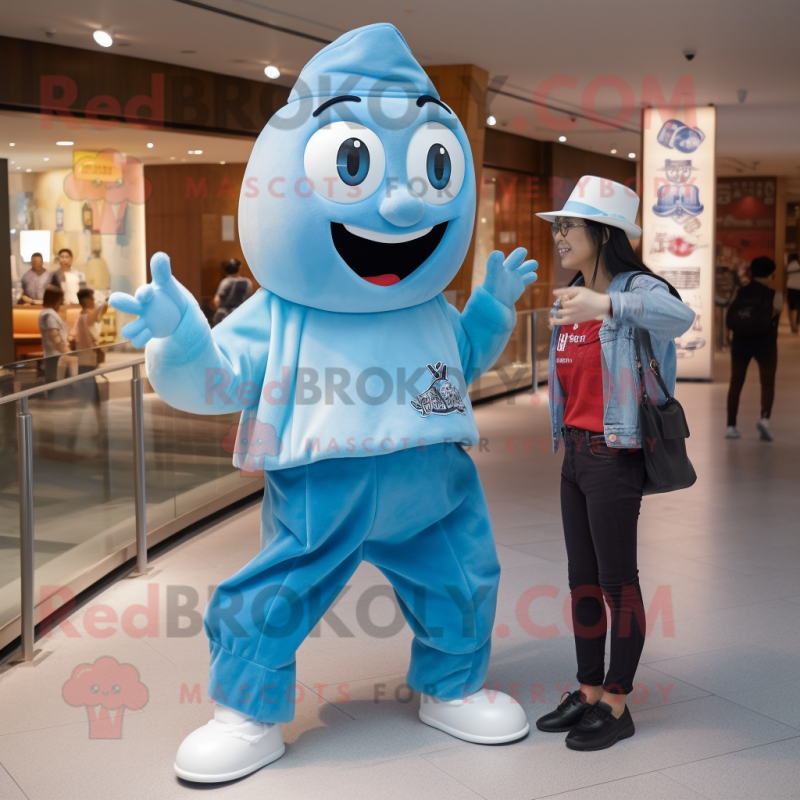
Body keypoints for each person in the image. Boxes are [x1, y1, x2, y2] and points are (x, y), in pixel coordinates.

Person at [110, 23, 539, 783]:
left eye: (432, 168)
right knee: (278, 587)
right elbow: (215, 381)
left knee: (465, 576)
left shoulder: (429, 307)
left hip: (436, 478)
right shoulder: (280, 310)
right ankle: (245, 709)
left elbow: (464, 360)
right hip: (322, 483)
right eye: (355, 165)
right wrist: (178, 336)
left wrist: (491, 311)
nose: (404, 205)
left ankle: (453, 684)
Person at [534, 176, 695, 751]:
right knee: (581, 581)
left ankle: (619, 701)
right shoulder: (574, 291)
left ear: (603, 233)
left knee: (615, 582)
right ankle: (588, 689)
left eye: (567, 226)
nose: (558, 236)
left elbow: (681, 319)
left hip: (614, 452)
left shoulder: (637, 290)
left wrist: (607, 304)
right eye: (557, 226)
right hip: (575, 453)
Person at [725, 256, 783, 441]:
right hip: (765, 344)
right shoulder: (776, 296)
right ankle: (765, 418)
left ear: (751, 273)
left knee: (735, 383)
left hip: (741, 343)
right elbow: (772, 315)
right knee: (767, 383)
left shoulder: (740, 292)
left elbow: (733, 315)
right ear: (771, 275)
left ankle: (731, 426)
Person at [38, 285, 70, 384]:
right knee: (55, 379)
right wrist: (64, 349)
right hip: (55, 354)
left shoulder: (46, 313)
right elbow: (54, 335)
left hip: (53, 354)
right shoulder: (49, 315)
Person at [210, 258, 253, 326]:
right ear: (239, 269)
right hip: (241, 316)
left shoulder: (225, 282)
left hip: (225, 317)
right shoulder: (248, 282)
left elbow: (216, 301)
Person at [786, 252, 800, 334]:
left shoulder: (789, 266)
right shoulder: (798, 265)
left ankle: (793, 326)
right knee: (798, 308)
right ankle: (797, 324)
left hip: (791, 288)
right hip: (799, 288)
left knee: (791, 308)